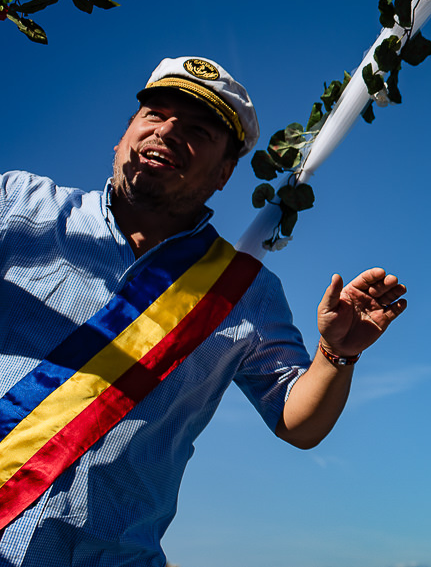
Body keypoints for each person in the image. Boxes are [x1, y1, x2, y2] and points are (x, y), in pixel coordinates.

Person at [0, 56, 407, 566]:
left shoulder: (244, 290)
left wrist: (335, 354)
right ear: (122, 135)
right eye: (154, 114)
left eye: (197, 129)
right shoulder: (17, 205)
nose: (167, 131)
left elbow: (297, 423)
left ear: (223, 173)